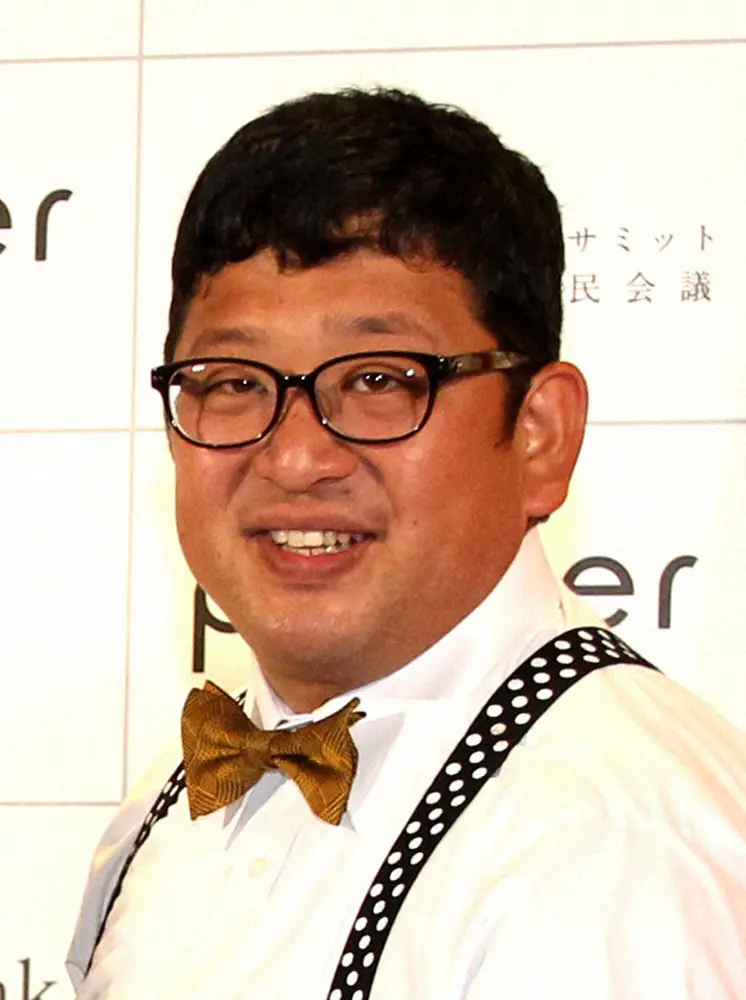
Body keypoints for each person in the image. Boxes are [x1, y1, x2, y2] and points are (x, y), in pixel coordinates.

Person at [68, 87, 746, 1000]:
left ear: (540, 433)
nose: (296, 456)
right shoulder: (169, 803)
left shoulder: (606, 852)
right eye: (233, 381)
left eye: (380, 380)